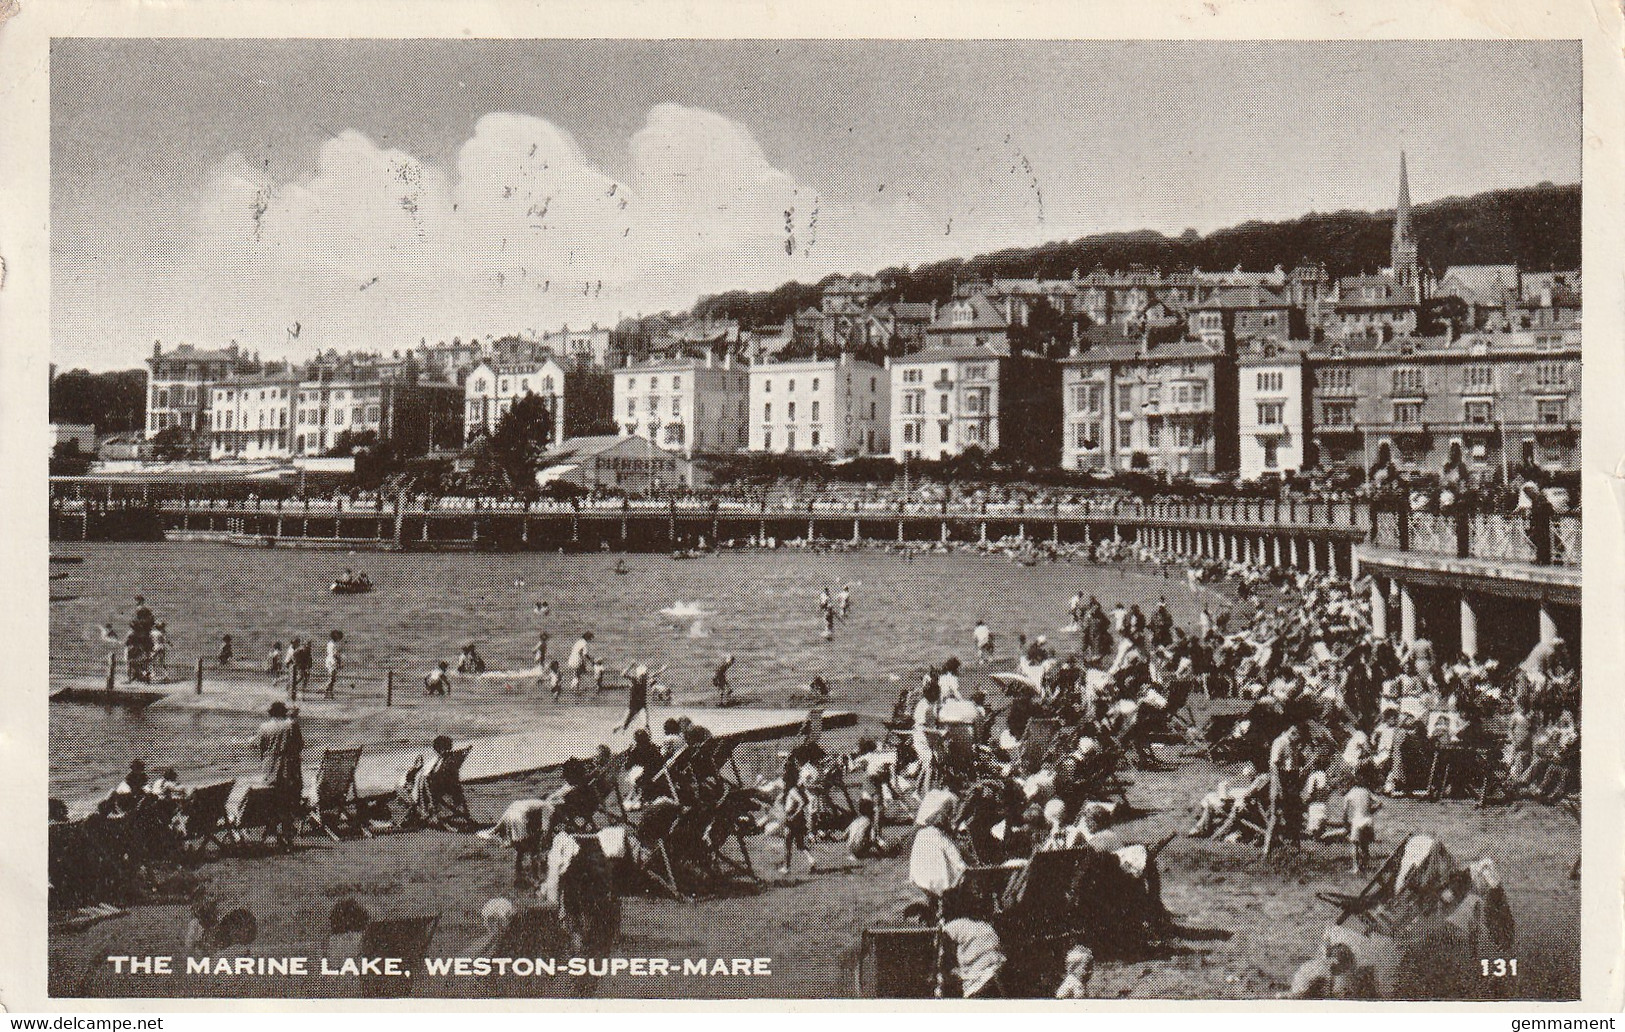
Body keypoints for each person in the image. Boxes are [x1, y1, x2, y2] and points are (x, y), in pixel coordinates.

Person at [255, 701, 304, 843]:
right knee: (287, 801)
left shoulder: (264, 727)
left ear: (270, 713)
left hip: (270, 768)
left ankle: (271, 830)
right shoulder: (291, 725)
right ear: (283, 712)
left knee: (272, 799)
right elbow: (300, 745)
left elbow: (261, 747)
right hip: (288, 768)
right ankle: (287, 831)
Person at [777, 767, 817, 875]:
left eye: (785, 781)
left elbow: (803, 802)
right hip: (797, 819)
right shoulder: (795, 790)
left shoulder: (793, 791)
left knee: (787, 844)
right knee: (799, 844)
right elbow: (806, 800)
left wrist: (794, 814)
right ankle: (811, 860)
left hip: (792, 819)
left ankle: (786, 868)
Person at [323, 630, 344, 698]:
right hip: (331, 661)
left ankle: (329, 692)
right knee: (332, 678)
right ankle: (326, 690)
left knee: (333, 678)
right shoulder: (332, 644)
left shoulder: (333, 643)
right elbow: (335, 655)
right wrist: (339, 662)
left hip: (332, 661)